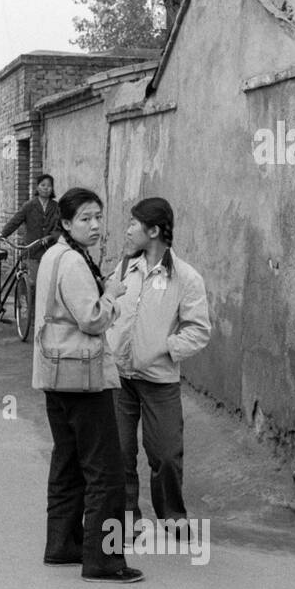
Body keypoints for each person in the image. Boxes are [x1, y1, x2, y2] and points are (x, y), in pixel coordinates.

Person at [32, 186, 143, 583]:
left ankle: (62, 545)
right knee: (106, 471)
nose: (95, 226)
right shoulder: (75, 264)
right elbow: (92, 319)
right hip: (83, 378)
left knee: (68, 463)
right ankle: (103, 559)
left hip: (55, 374)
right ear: (66, 223)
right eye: (85, 219)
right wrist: (111, 295)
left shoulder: (53, 255)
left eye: (98, 217)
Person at [108, 197, 212, 540]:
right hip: (120, 378)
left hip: (159, 380)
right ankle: (127, 522)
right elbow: (109, 310)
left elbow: (199, 330)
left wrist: (166, 349)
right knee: (120, 452)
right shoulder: (124, 268)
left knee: (166, 454)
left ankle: (172, 518)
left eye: (133, 224)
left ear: (153, 231)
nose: (126, 230)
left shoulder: (186, 277)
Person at [0, 173, 60, 284]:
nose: (46, 188)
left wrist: (51, 236)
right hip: (32, 250)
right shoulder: (29, 205)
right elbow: (15, 221)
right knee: (33, 283)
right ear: (37, 187)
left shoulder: (56, 207)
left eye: (49, 186)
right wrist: (2, 234)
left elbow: (60, 227)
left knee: (50, 283)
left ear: (52, 189)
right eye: (43, 185)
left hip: (50, 250)